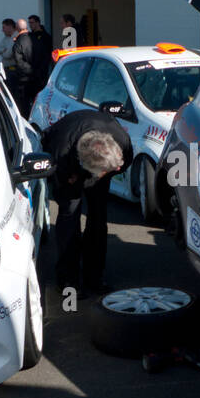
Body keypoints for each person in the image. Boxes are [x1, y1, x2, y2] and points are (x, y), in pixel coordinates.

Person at [41, 107, 133, 296]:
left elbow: (122, 164)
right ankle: (68, 279)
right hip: (68, 166)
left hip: (98, 162)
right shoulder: (61, 149)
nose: (119, 167)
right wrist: (75, 177)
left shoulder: (122, 142)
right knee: (70, 216)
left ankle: (95, 276)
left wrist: (108, 171)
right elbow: (64, 176)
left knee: (98, 217)